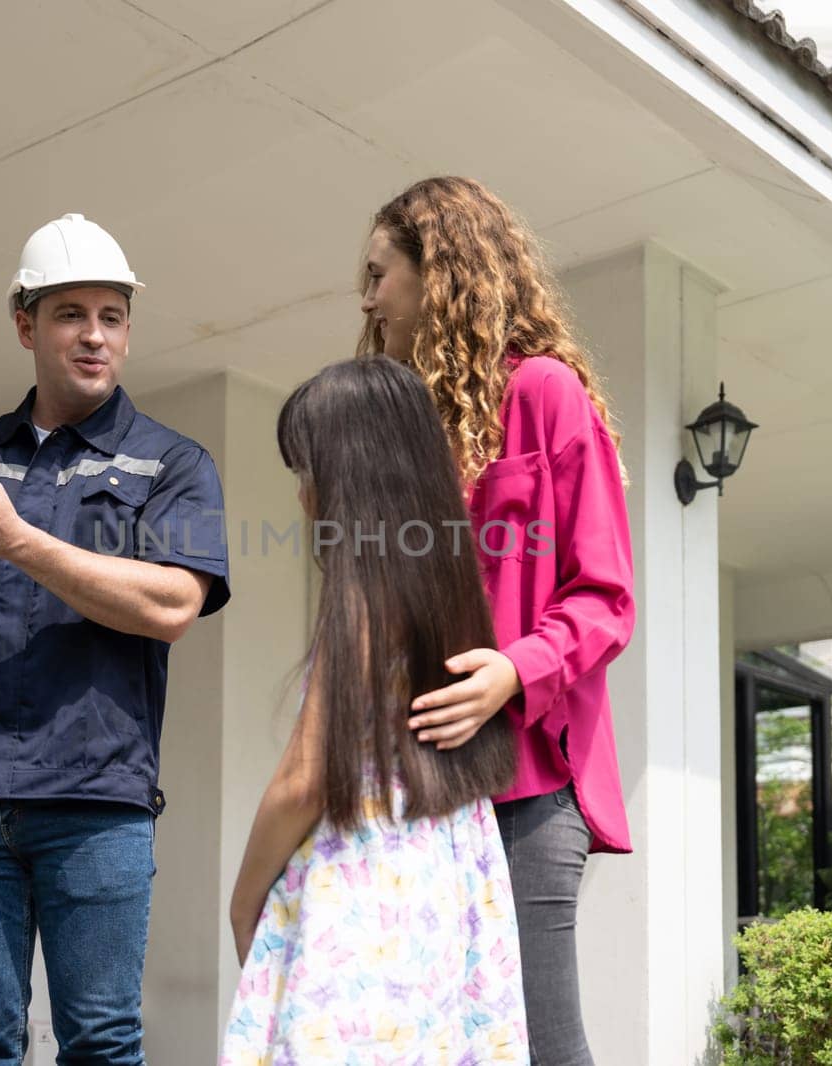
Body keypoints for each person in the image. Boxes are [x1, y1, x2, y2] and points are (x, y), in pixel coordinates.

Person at [0, 213, 231, 1066]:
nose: (94, 337)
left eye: (112, 316)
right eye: (70, 315)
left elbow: (173, 604)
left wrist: (17, 539)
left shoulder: (171, 465)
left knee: (100, 1043)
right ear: (26, 325)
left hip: (96, 806)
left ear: (128, 331)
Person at [358, 176, 636, 1065]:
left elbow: (606, 597)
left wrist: (514, 670)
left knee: (543, 1044)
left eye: (377, 275)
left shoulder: (545, 393)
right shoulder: (405, 427)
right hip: (414, 786)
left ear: (435, 274)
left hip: (526, 790)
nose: (366, 300)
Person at [220, 356, 528, 1065]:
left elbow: (305, 777)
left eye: (309, 472)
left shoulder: (363, 594)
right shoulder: (448, 578)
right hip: (444, 891)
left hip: (365, 892)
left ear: (351, 473)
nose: (303, 497)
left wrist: (244, 902)